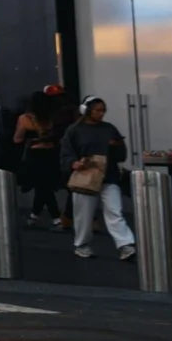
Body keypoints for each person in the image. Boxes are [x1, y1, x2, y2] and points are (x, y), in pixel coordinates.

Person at [60, 97, 135, 259]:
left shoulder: (109, 129)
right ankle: (82, 243)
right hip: (85, 175)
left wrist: (117, 147)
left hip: (108, 176)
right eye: (97, 110)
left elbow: (121, 155)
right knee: (84, 214)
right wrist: (73, 163)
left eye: (103, 110)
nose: (101, 114)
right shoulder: (74, 130)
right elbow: (66, 153)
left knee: (115, 210)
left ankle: (125, 244)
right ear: (86, 111)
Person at [15, 86, 67, 226]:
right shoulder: (51, 118)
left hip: (35, 154)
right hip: (51, 153)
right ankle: (35, 214)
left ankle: (55, 217)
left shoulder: (25, 118)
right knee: (45, 185)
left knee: (42, 186)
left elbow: (17, 138)